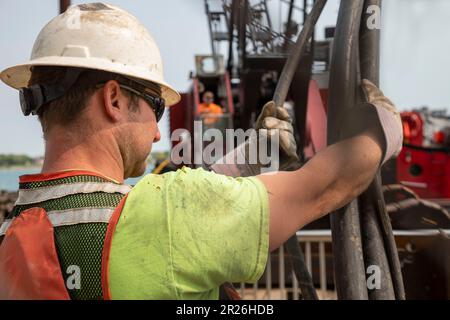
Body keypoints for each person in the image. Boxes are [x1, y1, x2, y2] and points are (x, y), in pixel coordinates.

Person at [0, 3, 402, 300]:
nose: (159, 135)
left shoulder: (12, 240)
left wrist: (251, 157)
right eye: (156, 107)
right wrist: (384, 128)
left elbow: (152, 218)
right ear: (114, 100)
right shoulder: (169, 214)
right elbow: (326, 184)